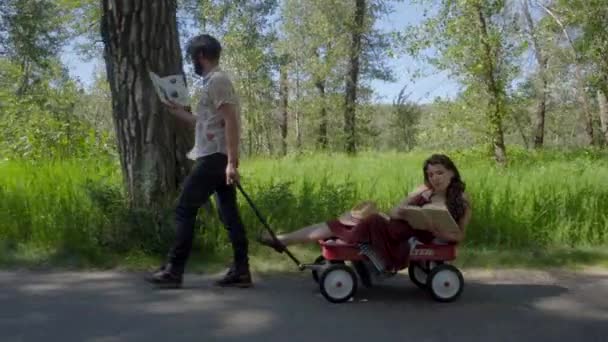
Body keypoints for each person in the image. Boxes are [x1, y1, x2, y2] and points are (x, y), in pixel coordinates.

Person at [145, 34, 251, 288]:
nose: (192, 61)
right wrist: (177, 112)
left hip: (215, 158)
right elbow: (206, 123)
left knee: (184, 209)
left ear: (201, 55)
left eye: (192, 56)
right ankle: (241, 271)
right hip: (215, 155)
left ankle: (174, 270)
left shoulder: (218, 80)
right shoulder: (210, 83)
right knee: (229, 215)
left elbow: (231, 122)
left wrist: (231, 162)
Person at [258, 154, 472, 272]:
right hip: (394, 227)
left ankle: (284, 240)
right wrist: (409, 206)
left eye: (440, 173)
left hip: (402, 236)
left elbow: (459, 236)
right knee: (342, 223)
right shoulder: (423, 190)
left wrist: (435, 229)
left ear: (452, 172)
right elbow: (395, 211)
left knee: (346, 226)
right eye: (431, 174)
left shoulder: (462, 200)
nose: (435, 178)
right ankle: (284, 240)